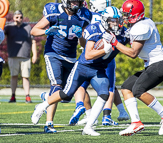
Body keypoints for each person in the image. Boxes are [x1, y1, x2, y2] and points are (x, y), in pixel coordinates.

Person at [31, 6, 130, 136]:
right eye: (112, 20)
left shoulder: (123, 33)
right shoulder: (95, 29)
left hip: (98, 69)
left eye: (117, 20)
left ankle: (89, 127)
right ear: (105, 20)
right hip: (83, 67)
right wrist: (104, 50)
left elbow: (134, 47)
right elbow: (88, 54)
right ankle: (43, 105)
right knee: (66, 94)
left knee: (104, 93)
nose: (116, 23)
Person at [102, 0, 163, 136]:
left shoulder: (141, 27)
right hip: (153, 64)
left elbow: (133, 53)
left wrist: (114, 42)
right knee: (126, 87)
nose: (124, 17)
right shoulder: (141, 23)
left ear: (134, 15)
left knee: (138, 90)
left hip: (160, 64)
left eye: (126, 15)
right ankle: (136, 123)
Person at [30, 0, 92, 133]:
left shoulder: (83, 15)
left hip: (70, 56)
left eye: (78, 2)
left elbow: (83, 44)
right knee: (56, 85)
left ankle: (46, 98)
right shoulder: (54, 11)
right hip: (53, 53)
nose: (76, 5)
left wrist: (80, 35)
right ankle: (49, 124)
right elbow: (34, 31)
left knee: (67, 94)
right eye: (73, 2)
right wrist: (47, 31)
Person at [70, 0, 129, 126]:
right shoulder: (111, 17)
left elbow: (83, 42)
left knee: (80, 84)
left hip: (88, 57)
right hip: (104, 56)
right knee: (109, 86)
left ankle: (85, 110)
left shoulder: (90, 16)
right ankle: (106, 116)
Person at [4, 10, 37, 103]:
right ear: (14, 17)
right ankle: (13, 96)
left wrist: (34, 54)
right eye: (17, 17)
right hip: (13, 56)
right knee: (13, 76)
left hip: (25, 56)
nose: (19, 19)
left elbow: (33, 41)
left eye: (21, 17)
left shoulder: (28, 27)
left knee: (25, 77)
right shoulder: (8, 27)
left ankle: (27, 96)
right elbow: (1, 35)